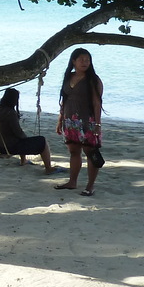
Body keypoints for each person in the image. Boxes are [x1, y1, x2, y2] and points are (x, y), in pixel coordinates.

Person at [53, 47, 104, 196]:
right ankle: (72, 182)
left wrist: (97, 124)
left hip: (87, 121)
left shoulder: (93, 80)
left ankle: (90, 186)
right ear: (73, 61)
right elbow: (64, 100)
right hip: (70, 121)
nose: (85, 62)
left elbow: (97, 103)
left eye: (87, 60)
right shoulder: (69, 76)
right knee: (74, 151)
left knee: (91, 153)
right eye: (81, 59)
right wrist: (60, 120)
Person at [0, 88, 62, 174]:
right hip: (10, 147)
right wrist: (26, 139)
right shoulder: (10, 113)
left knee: (21, 138)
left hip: (0, 146)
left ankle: (23, 161)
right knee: (42, 141)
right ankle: (48, 168)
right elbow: (18, 132)